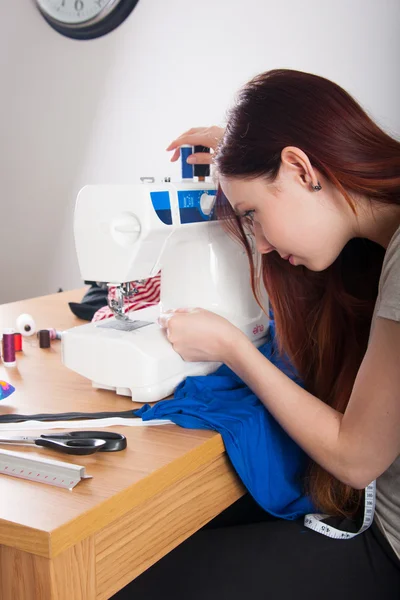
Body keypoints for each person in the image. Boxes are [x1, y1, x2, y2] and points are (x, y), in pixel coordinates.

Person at [112, 69, 400, 599]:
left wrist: (233, 348)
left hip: (387, 543)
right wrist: (238, 155)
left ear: (299, 167)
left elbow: (357, 459)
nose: (260, 244)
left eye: (253, 215)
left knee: (126, 580)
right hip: (371, 517)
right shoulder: (381, 242)